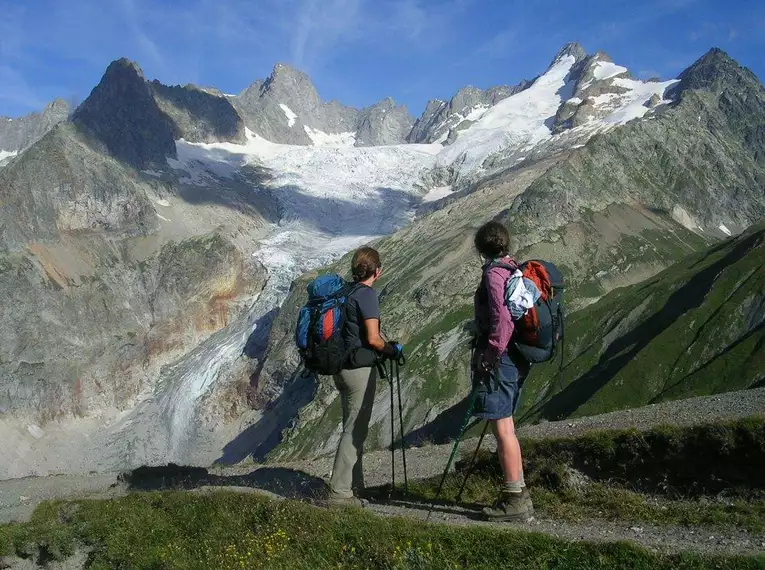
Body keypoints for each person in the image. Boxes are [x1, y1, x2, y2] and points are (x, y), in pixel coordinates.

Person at [327, 246, 403, 507]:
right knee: (354, 431)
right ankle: (339, 493)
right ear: (377, 271)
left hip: (340, 367)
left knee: (352, 425)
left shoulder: (345, 292)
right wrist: (392, 350)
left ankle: (354, 487)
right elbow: (372, 338)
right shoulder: (367, 295)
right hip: (358, 370)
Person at [472, 221, 533, 521]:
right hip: (516, 357)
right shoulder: (512, 268)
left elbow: (502, 320)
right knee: (506, 425)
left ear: (481, 248)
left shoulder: (495, 274)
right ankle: (518, 491)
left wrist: (490, 353)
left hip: (502, 359)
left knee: (503, 428)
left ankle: (515, 499)